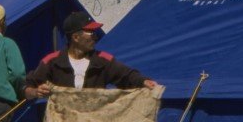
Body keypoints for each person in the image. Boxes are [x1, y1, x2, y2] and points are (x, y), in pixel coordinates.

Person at [24, 11, 159, 98]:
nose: (95, 37)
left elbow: (127, 76)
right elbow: (27, 87)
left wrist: (144, 81)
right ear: (75, 37)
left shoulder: (103, 60)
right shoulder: (52, 61)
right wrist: (36, 92)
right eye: (91, 32)